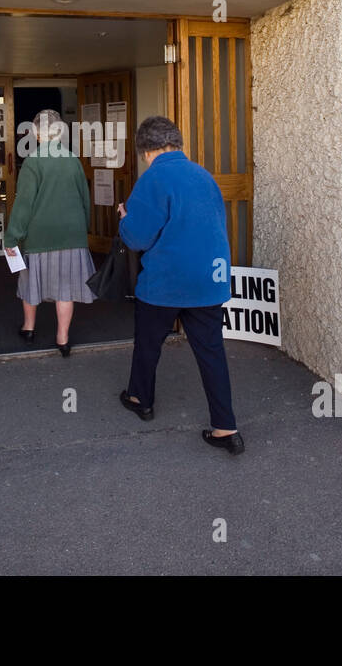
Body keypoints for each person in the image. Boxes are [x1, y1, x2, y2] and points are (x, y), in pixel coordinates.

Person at [116, 115, 243, 454]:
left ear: (145, 151)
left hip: (166, 282)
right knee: (211, 352)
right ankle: (226, 427)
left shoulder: (153, 179)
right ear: (177, 143)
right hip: (207, 279)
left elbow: (138, 238)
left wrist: (124, 219)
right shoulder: (204, 176)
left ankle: (140, 398)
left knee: (148, 344)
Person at [3, 108, 94, 356]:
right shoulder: (73, 160)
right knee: (66, 287)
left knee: (30, 282)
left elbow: (24, 205)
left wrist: (12, 237)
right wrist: (82, 228)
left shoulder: (33, 161)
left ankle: (29, 328)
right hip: (72, 234)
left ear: (35, 132)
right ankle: (62, 338)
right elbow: (85, 199)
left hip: (40, 235)